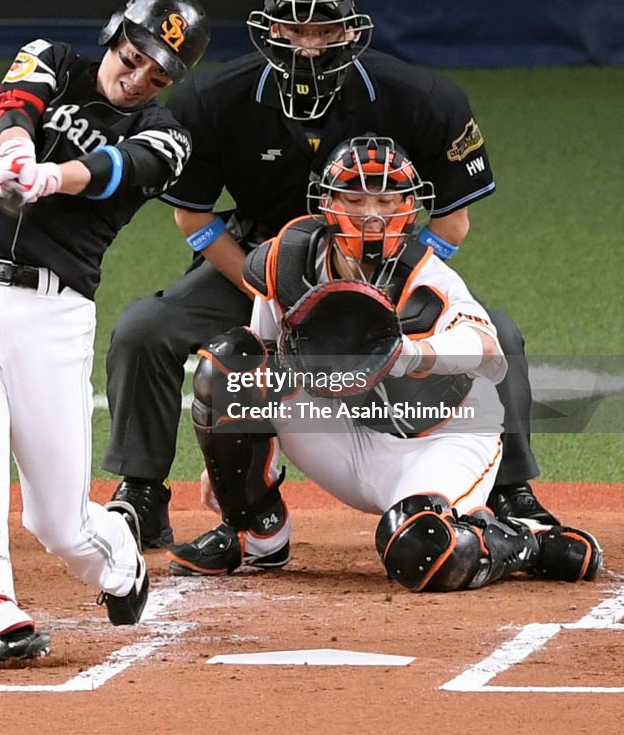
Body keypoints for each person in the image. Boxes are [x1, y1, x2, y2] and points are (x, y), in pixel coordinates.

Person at [103, 0, 555, 548]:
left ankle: (513, 492)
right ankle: (143, 493)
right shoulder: (214, 100)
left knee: (499, 333)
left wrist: (383, 285)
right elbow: (194, 217)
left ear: (351, 32)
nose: (307, 44)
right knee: (144, 327)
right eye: (294, 29)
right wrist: (276, 287)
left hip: (384, 265)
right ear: (271, 30)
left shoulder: (421, 98)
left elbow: (454, 219)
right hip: (258, 261)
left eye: (323, 30)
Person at [166, 136, 603, 592]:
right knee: (228, 366)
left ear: (410, 206)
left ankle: (524, 541)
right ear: (327, 202)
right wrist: (232, 465)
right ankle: (256, 532)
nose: (371, 214)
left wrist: (410, 355)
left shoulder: (428, 275)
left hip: (438, 439)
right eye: (354, 198)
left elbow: (489, 353)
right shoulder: (287, 260)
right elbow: (261, 353)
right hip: (340, 428)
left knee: (422, 550)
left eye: (387, 200)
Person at [0, 0, 209, 664]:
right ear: (118, 34)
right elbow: (9, 108)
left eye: (157, 74)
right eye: (134, 55)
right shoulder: (54, 58)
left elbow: (118, 168)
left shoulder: (167, 135)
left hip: (53, 320)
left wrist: (50, 177)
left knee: (60, 523)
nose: (137, 77)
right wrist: (17, 150)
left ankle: (119, 562)